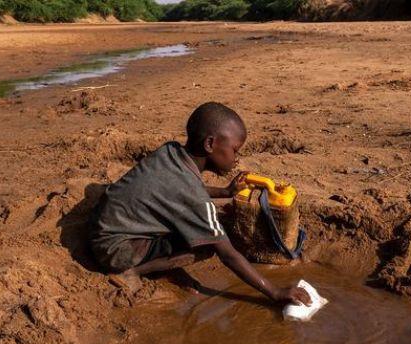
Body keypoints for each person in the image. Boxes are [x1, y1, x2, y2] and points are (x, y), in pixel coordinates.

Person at [90, 102, 311, 306]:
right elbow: (227, 254)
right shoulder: (193, 194)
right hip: (115, 251)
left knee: (200, 224)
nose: (236, 158)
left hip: (105, 228)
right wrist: (275, 291)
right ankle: (135, 271)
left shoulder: (171, 151)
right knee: (208, 244)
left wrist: (224, 192)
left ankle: (160, 265)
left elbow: (177, 190)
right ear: (210, 144)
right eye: (234, 150)